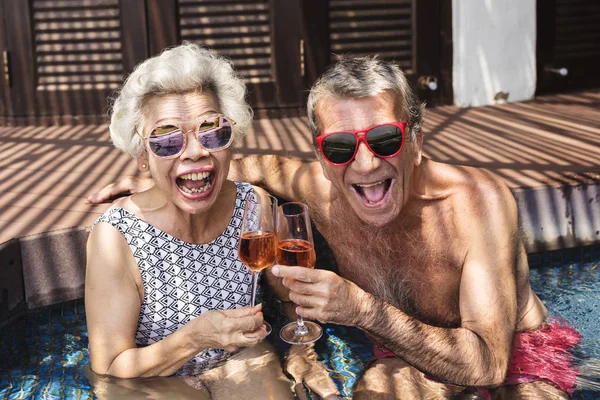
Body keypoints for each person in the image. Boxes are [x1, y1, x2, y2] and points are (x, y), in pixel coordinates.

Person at [89, 56, 581, 399]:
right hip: (404, 352)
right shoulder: (320, 187)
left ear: (416, 139)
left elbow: (487, 365)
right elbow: (241, 162)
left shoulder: (477, 203)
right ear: (322, 156)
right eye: (341, 147)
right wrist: (153, 176)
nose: (364, 164)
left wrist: (361, 309)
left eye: (385, 139)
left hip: (509, 354)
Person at [84, 43, 340, 399]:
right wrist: (196, 338)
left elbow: (291, 298)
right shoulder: (116, 237)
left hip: (240, 361)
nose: (194, 150)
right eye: (167, 139)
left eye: (213, 131)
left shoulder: (253, 206)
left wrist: (302, 352)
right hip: (155, 380)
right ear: (142, 156)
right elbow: (109, 368)